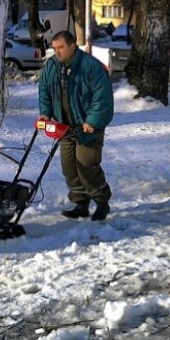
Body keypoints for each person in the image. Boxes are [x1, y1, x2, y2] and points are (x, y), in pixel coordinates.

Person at [38, 31, 114, 221]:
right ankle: (81, 203)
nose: (57, 52)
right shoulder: (52, 67)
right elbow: (44, 90)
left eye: (61, 47)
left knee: (86, 165)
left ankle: (102, 201)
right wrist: (45, 113)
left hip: (87, 127)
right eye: (54, 48)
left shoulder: (91, 67)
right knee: (69, 167)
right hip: (65, 126)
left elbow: (102, 97)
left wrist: (92, 121)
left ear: (73, 46)